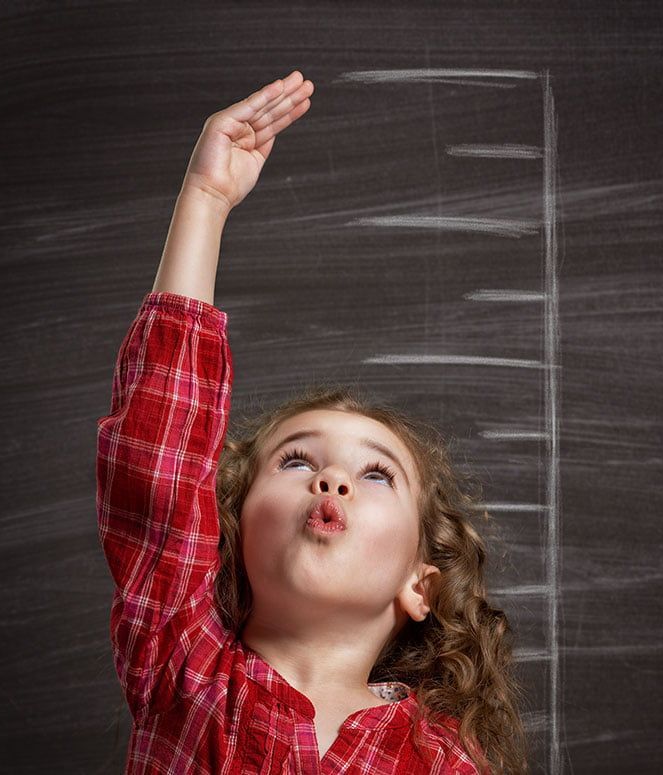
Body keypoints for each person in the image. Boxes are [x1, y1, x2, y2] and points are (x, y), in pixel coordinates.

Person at [96, 70, 529, 774]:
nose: (331, 477)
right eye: (295, 461)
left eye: (376, 473)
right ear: (231, 537)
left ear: (422, 584)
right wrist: (205, 201)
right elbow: (160, 459)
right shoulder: (184, 665)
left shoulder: (443, 759)